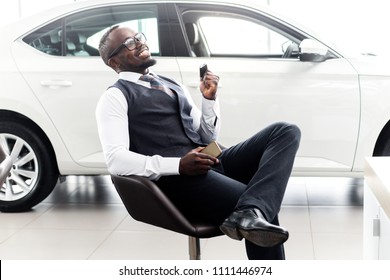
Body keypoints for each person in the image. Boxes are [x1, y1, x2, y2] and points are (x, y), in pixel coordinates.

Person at [96, 25, 301, 260]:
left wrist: (208, 100)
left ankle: (249, 211)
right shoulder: (115, 97)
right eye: (130, 43)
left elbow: (205, 137)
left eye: (139, 37)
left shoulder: (171, 84)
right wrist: (178, 165)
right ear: (114, 62)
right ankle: (252, 212)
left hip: (210, 160)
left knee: (285, 131)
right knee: (263, 214)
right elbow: (115, 160)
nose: (140, 43)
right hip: (180, 180)